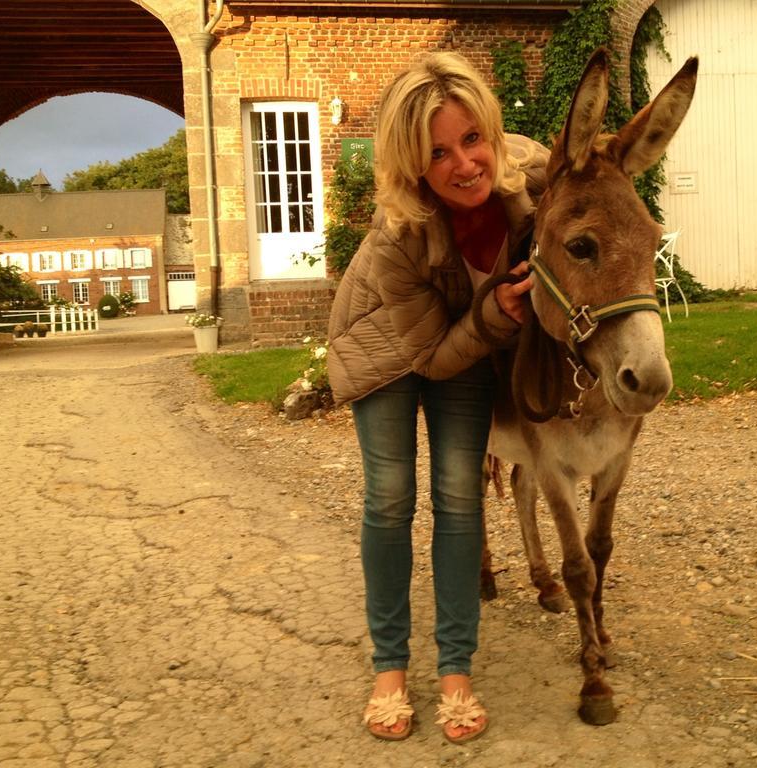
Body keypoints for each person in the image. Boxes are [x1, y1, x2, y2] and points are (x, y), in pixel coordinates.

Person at [326, 51, 548, 744]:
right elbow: (427, 354)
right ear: (412, 163)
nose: (464, 164)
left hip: (468, 340)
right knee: (390, 498)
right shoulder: (399, 235)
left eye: (472, 138)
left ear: (491, 131)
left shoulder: (529, 180)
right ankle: (389, 668)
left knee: (459, 495)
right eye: (437, 152)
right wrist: (494, 319)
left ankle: (456, 670)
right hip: (387, 349)